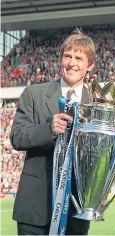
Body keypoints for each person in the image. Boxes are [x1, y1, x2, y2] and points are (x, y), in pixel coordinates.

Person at [10, 28, 95, 235]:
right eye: (67, 56)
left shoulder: (98, 101)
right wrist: (48, 129)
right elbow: (17, 136)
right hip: (35, 208)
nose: (72, 63)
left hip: (76, 208)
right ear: (60, 60)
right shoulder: (34, 93)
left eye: (79, 58)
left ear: (90, 65)